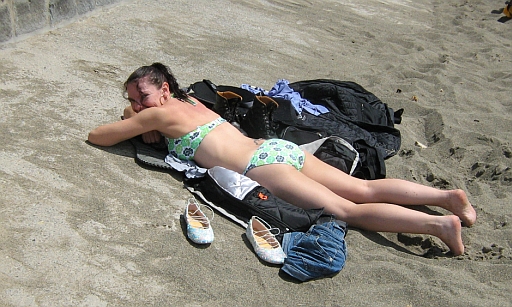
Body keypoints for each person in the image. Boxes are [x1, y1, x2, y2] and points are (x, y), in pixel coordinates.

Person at [88, 63, 477, 256]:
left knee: (347, 210)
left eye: (141, 96)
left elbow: (98, 136)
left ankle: (438, 224)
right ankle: (448, 198)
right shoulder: (192, 101)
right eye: (131, 100)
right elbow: (143, 119)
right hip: (274, 149)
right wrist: (139, 117)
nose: (137, 105)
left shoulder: (157, 114)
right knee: (364, 188)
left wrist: (133, 120)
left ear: (164, 89)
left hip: (263, 167)